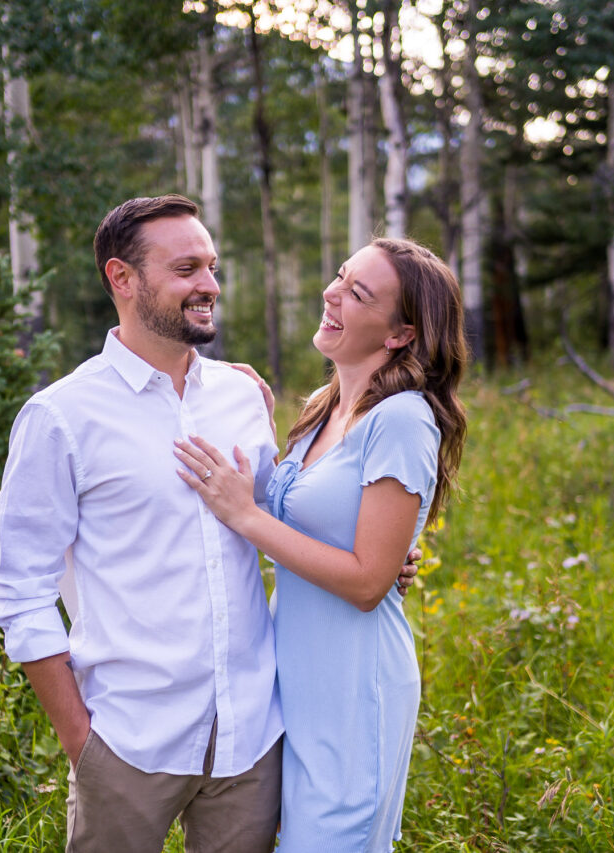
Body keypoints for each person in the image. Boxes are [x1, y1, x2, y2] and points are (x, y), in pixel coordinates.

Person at [0, 195, 416, 853]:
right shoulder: (61, 417)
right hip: (129, 740)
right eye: (186, 269)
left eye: (211, 266)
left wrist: (377, 558)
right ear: (122, 278)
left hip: (252, 739)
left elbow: (274, 522)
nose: (210, 285)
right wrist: (82, 741)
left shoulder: (242, 396)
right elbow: (21, 593)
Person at [173, 237, 468, 851]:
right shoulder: (324, 407)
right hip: (293, 685)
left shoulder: (402, 419)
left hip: (353, 687)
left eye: (358, 293)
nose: (331, 294)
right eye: (339, 276)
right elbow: (312, 532)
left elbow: (366, 584)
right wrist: (258, 420)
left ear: (400, 335)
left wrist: (244, 514)